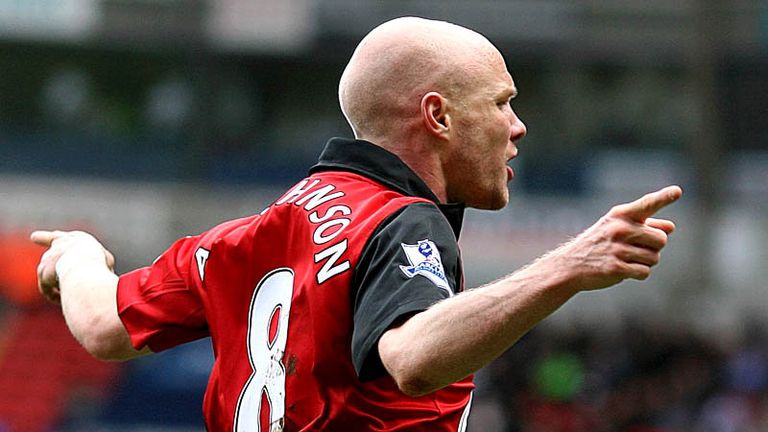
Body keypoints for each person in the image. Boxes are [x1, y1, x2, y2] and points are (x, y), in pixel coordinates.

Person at [31, 16, 683, 431]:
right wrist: (570, 264)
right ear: (439, 116)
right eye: (503, 102)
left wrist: (77, 254)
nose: (518, 127)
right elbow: (412, 357)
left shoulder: (250, 233)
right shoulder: (402, 221)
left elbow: (104, 327)